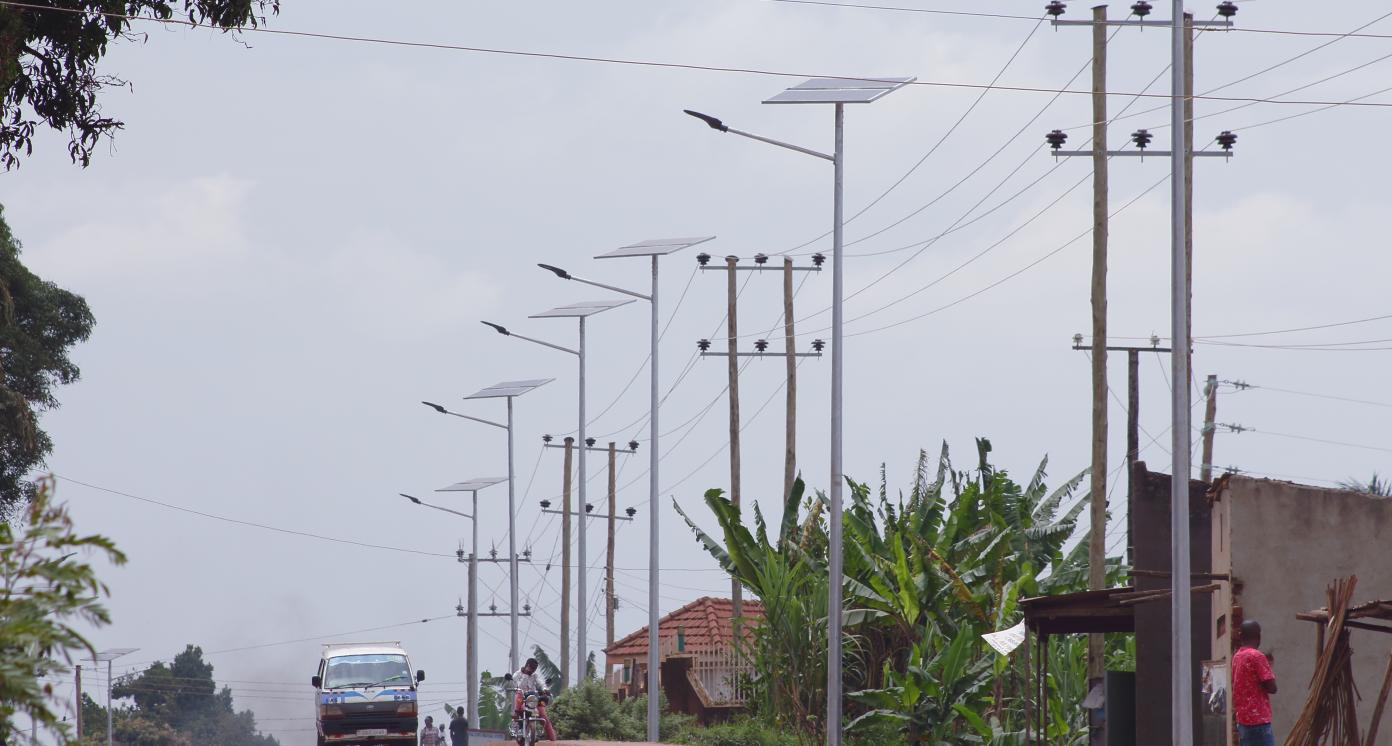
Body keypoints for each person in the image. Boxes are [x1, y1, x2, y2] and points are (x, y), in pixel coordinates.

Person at [1232, 619, 1278, 746]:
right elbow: (1272, 687)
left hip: (1243, 721)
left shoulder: (1237, 657)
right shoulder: (1257, 656)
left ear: (1241, 637)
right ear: (1258, 636)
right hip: (1259, 722)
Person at [512, 658, 557, 741]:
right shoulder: (517, 675)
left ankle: (553, 739)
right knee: (518, 695)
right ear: (527, 666)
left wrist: (544, 689)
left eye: (535, 669)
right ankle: (516, 714)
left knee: (544, 716)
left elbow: (540, 682)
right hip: (522, 696)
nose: (533, 671)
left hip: (533, 698)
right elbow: (518, 685)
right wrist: (525, 674)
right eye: (532, 668)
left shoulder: (535, 675)